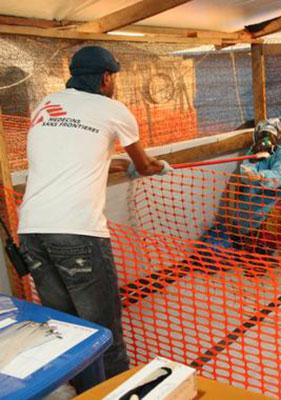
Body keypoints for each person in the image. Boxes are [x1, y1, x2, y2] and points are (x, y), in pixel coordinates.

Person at [17, 46, 171, 392]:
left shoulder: (44, 105)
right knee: (103, 333)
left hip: (32, 231)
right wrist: (155, 167)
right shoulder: (112, 109)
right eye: (113, 77)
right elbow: (146, 165)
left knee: (65, 326)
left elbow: (82, 159)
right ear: (105, 78)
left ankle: (83, 391)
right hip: (77, 234)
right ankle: (116, 392)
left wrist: (122, 166)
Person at [235, 118, 281, 252]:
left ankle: (266, 249)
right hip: (258, 191)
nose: (266, 140)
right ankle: (249, 243)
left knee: (269, 214)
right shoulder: (253, 152)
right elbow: (246, 169)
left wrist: (261, 176)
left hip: (279, 192)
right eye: (264, 136)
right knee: (244, 207)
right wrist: (249, 174)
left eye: (271, 137)